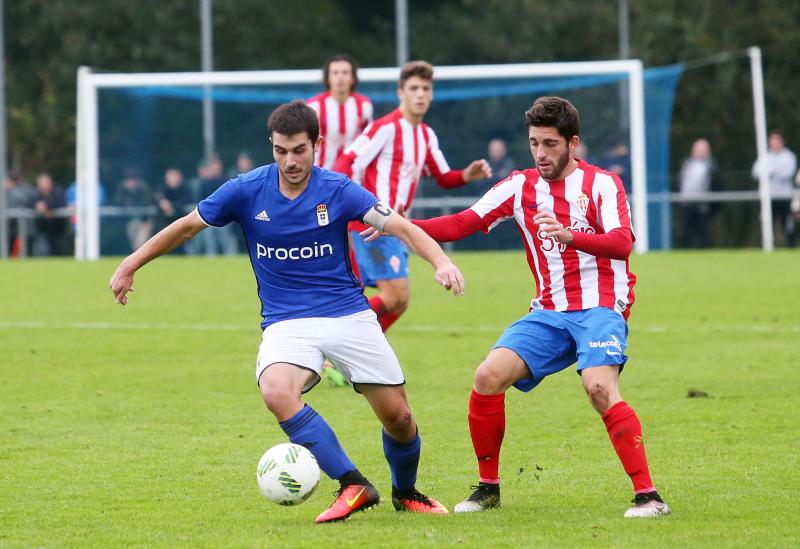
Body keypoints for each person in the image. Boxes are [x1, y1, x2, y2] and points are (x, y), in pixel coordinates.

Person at [109, 100, 464, 524]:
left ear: (318, 144)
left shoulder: (338, 189)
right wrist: (130, 263)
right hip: (286, 322)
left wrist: (441, 262)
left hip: (348, 314)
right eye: (281, 151)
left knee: (399, 418)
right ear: (271, 146)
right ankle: (353, 484)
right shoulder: (246, 189)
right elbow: (186, 225)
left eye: (299, 150)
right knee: (276, 391)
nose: (290, 160)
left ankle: (406, 492)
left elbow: (402, 226)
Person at [366, 96, 670, 518]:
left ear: (572, 143)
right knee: (487, 377)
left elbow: (622, 243)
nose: (541, 153)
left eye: (549, 144)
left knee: (599, 388)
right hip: (547, 312)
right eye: (534, 143)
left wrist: (569, 236)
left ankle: (649, 496)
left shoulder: (603, 184)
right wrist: (398, 227)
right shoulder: (520, 186)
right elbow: (463, 222)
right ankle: (488, 489)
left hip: (601, 307)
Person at [333, 60, 491, 332]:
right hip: (372, 223)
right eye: (414, 88)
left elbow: (443, 177)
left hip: (394, 228)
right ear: (401, 93)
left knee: (399, 301)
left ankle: (349, 356)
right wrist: (354, 203)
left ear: (431, 94)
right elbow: (345, 162)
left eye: (425, 89)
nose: (420, 94)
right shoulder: (385, 128)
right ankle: (338, 340)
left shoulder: (426, 135)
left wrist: (466, 175)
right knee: (395, 295)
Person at [307, 54, 373, 171]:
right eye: (335, 73)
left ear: (353, 78)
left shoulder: (364, 105)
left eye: (345, 72)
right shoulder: (314, 106)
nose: (340, 77)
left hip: (353, 176)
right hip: (321, 173)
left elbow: (368, 140)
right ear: (327, 77)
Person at [751, 130, 797, 247]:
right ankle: (767, 246)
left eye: (776, 141)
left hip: (784, 197)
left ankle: (791, 247)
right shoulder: (765, 157)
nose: (774, 143)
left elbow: (786, 174)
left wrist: (769, 173)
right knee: (767, 224)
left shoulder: (789, 157)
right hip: (768, 197)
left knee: (786, 225)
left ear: (782, 142)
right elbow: (756, 172)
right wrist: (774, 171)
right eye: (772, 141)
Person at [196, 154, 239, 256]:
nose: (216, 167)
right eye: (213, 165)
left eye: (217, 165)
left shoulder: (227, 181)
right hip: (209, 217)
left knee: (226, 240)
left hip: (225, 216)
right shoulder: (204, 183)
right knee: (209, 240)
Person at [678, 138, 717, 248]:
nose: (700, 152)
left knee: (703, 232)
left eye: (703, 150)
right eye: (698, 150)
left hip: (702, 204)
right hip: (687, 203)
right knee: (687, 231)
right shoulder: (686, 164)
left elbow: (716, 185)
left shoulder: (712, 166)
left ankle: (704, 253)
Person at [154, 168, 193, 253]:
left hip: (182, 220)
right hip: (165, 222)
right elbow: (157, 199)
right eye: (170, 176)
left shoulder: (185, 188)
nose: (173, 178)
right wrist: (162, 202)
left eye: (175, 176)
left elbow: (187, 201)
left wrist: (172, 206)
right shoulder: (162, 188)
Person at [114, 170, 154, 252]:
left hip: (144, 221)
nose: (130, 184)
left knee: (140, 244)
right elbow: (118, 202)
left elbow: (147, 202)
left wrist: (132, 200)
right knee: (134, 245)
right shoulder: (122, 189)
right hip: (131, 221)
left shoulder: (144, 189)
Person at [32, 173, 68, 256]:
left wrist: (47, 207)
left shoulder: (58, 192)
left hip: (58, 230)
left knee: (60, 254)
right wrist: (37, 206)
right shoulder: (36, 194)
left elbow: (61, 204)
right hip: (43, 230)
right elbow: (30, 204)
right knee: (42, 253)